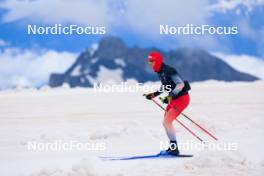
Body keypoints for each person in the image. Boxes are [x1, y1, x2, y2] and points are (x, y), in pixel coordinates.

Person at [145, 51, 191, 155]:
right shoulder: (160, 71)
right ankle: (172, 146)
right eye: (149, 62)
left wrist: (171, 95)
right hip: (174, 99)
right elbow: (166, 86)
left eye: (151, 62)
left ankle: (174, 148)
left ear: (157, 61)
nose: (150, 64)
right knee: (166, 123)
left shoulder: (168, 70)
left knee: (167, 122)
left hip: (182, 98)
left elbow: (180, 84)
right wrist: (154, 94)